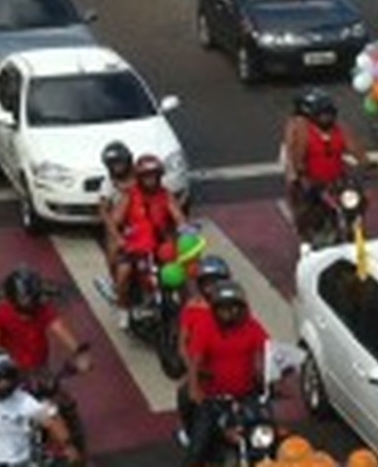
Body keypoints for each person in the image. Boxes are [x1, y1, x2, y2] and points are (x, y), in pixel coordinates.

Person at [183, 281, 269, 467]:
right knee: (197, 450)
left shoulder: (252, 326)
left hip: (247, 396)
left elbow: (268, 350)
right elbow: (195, 360)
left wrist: (272, 373)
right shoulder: (205, 326)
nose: (231, 313)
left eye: (235, 308)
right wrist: (194, 388)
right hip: (213, 398)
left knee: (268, 436)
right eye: (225, 309)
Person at [0, 350, 80, 467]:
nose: (4, 383)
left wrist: (67, 446)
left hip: (23, 462)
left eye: (8, 377)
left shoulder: (24, 400)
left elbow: (50, 420)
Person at [113, 154, 187, 329]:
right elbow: (116, 220)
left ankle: (180, 305)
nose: (150, 180)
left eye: (154, 175)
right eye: (146, 176)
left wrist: (184, 229)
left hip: (161, 246)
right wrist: (120, 238)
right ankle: (123, 309)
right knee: (124, 273)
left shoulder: (165, 195)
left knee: (181, 271)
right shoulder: (130, 196)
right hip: (135, 247)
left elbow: (178, 216)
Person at [286, 89, 369, 239]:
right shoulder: (304, 132)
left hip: (337, 180)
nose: (326, 118)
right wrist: (300, 175)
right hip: (314, 182)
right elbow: (296, 157)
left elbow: (354, 148)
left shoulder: (340, 130)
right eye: (322, 115)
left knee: (359, 200)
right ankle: (307, 239)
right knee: (307, 211)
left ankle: (353, 227)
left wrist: (366, 163)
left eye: (329, 114)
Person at [0, 267, 92, 375]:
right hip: (13, 367)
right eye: (27, 301)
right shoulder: (1, 313)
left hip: (39, 364)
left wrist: (79, 352)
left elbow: (60, 330)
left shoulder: (43, 309)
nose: (32, 304)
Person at [174, 256, 232, 443]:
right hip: (201, 369)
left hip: (228, 363)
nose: (212, 287)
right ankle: (189, 429)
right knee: (184, 394)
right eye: (207, 282)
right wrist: (193, 369)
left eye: (217, 281)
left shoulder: (233, 306)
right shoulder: (192, 309)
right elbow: (183, 344)